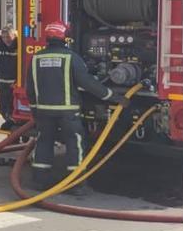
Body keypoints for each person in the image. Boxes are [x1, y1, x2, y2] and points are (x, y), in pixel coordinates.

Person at [27, 21, 119, 190]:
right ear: (65, 37)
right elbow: (88, 83)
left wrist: (35, 109)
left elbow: (30, 88)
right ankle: (76, 185)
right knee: (74, 143)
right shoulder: (71, 58)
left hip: (44, 111)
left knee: (44, 141)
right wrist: (111, 96)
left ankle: (40, 181)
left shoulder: (36, 58)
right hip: (68, 112)